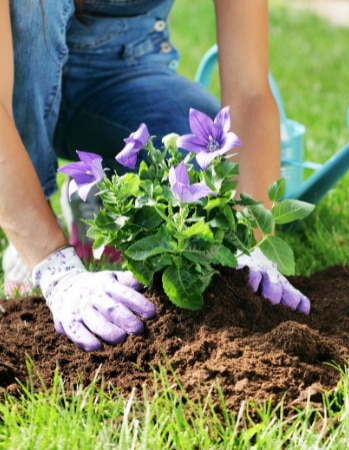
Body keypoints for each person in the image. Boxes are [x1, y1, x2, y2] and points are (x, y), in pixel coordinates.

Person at [1, 0, 310, 352]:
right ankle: (28, 219)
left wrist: (248, 241)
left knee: (203, 173)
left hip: (122, 69)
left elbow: (250, 93)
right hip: (17, 69)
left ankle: (95, 188)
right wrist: (56, 268)